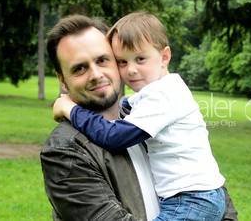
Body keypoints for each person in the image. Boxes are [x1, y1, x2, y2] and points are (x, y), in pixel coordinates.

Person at [41, 14, 238, 221]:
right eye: (79, 68)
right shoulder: (66, 150)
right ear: (63, 80)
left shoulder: (145, 114)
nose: (96, 74)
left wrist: (70, 109)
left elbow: (219, 200)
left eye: (103, 60)